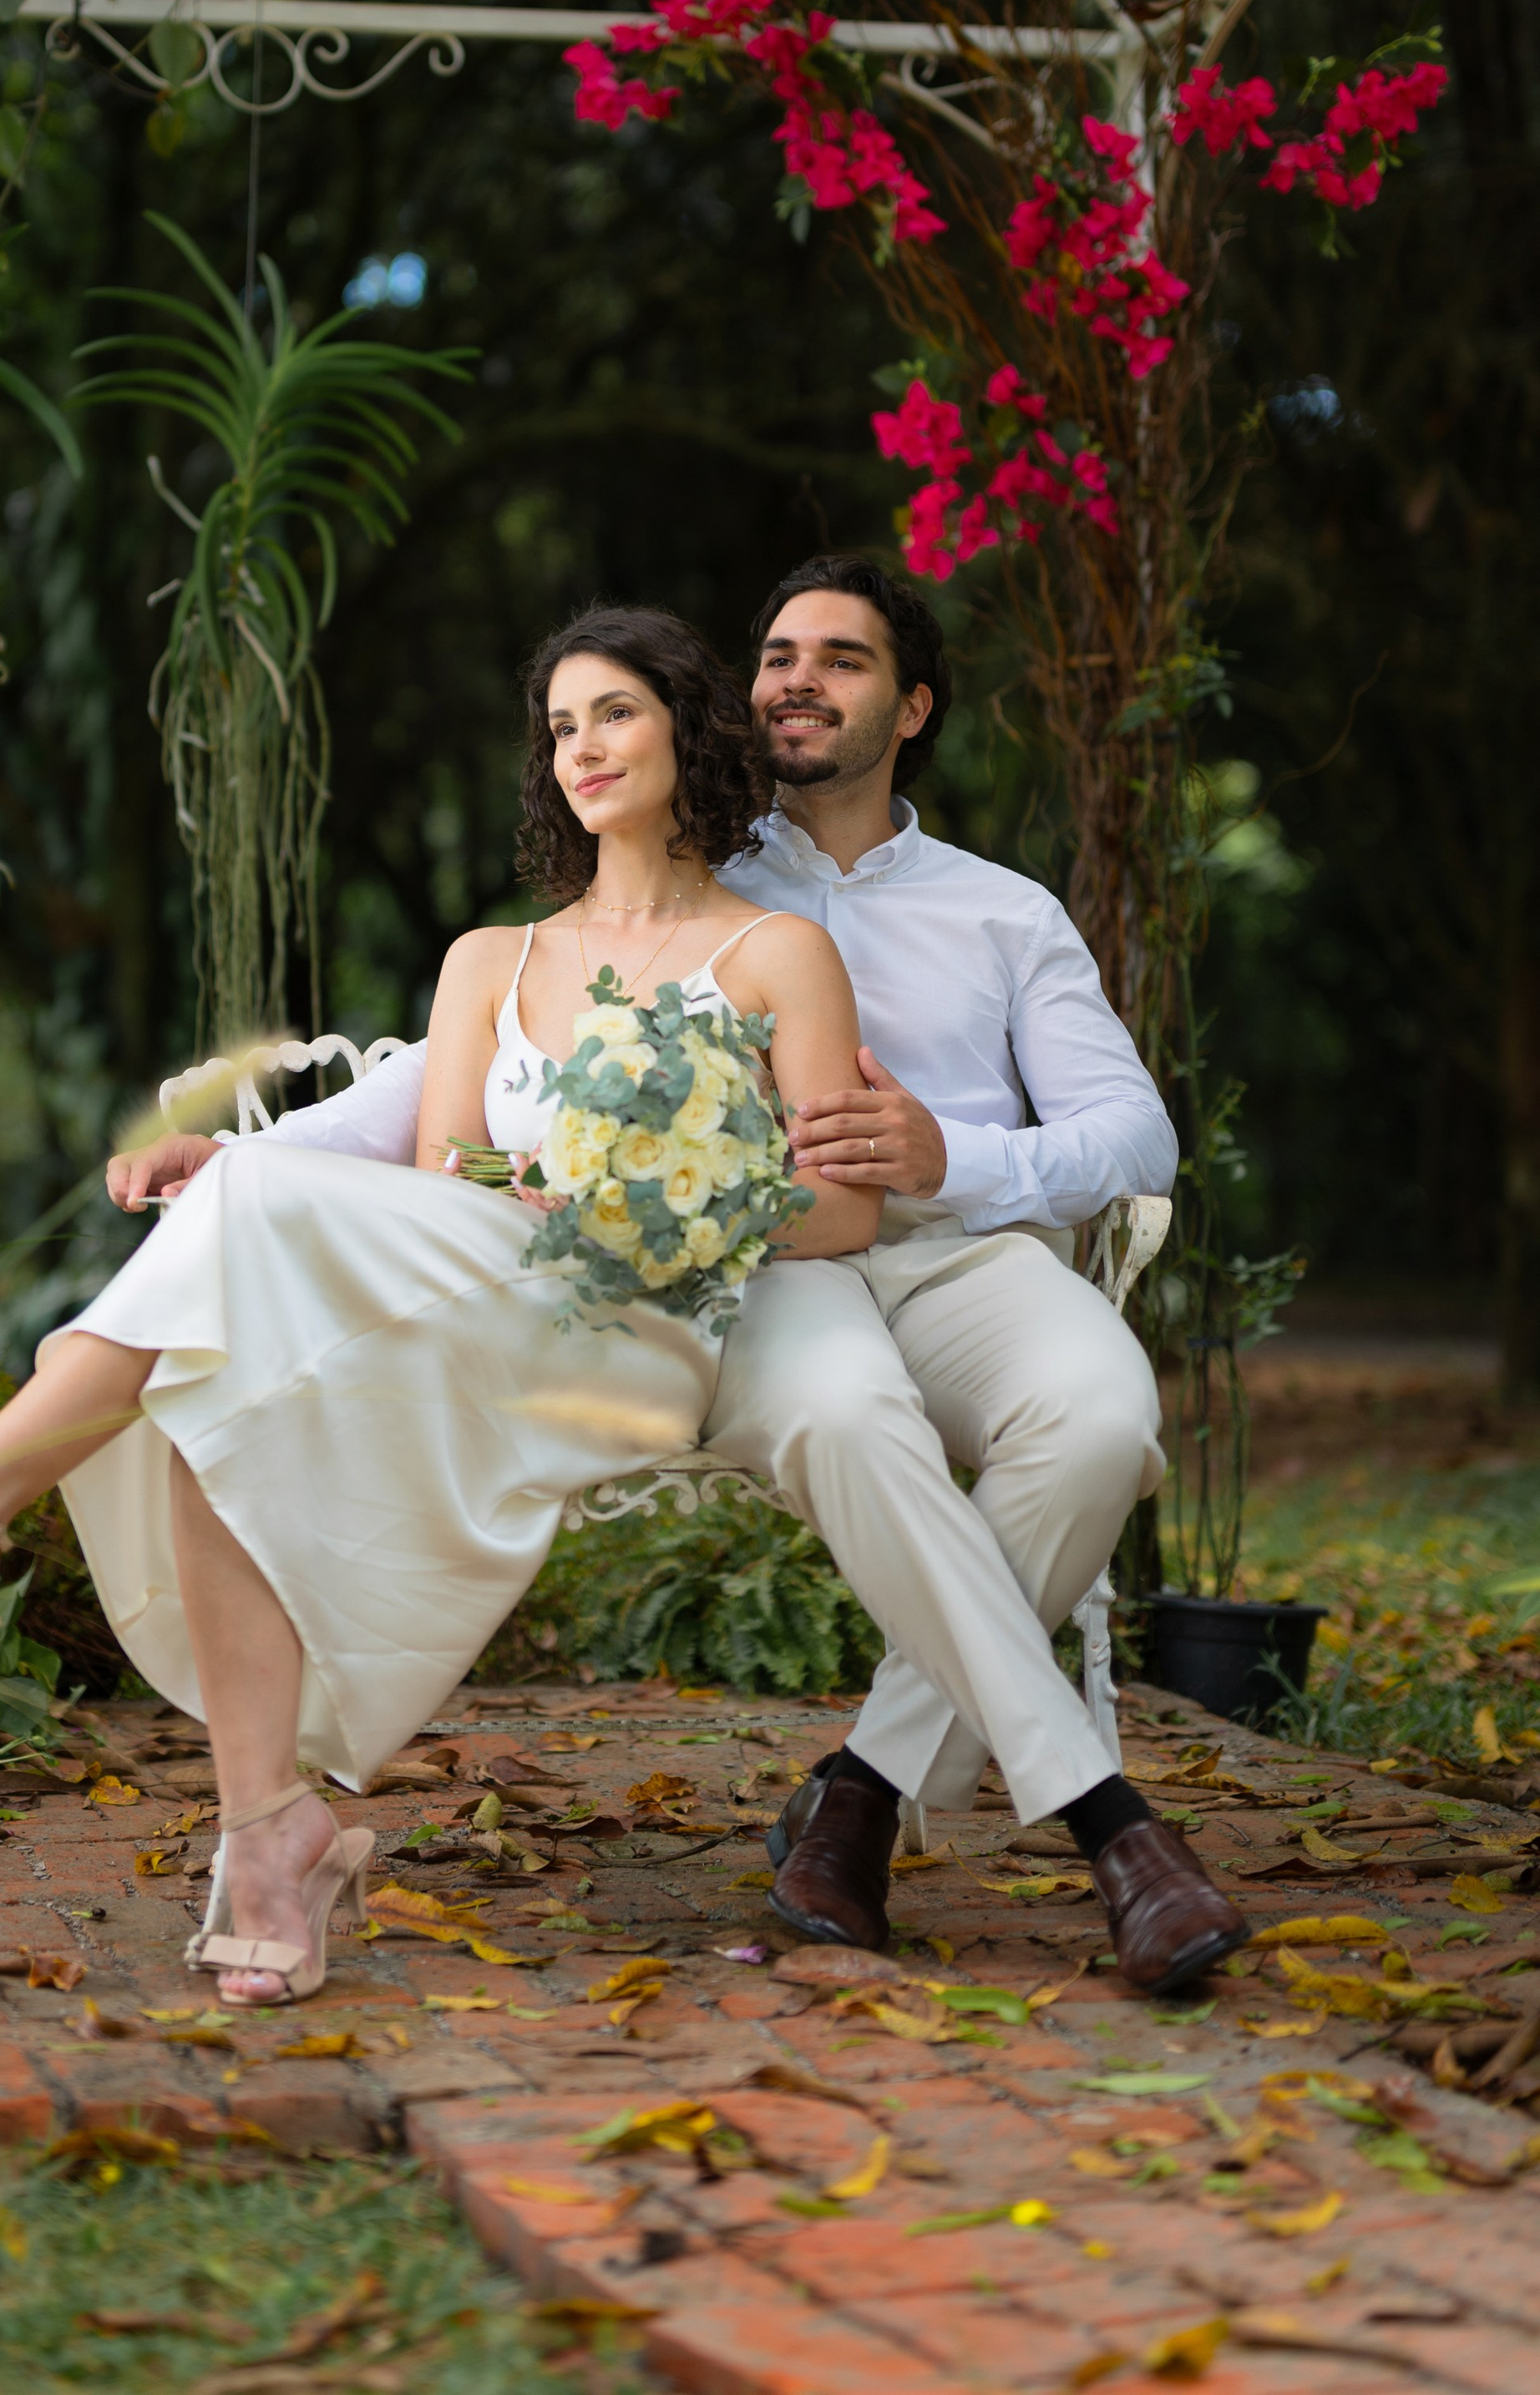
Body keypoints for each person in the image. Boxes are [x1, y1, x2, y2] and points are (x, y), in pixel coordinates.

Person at [110, 557, 1249, 1997]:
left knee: (1100, 1425)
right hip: (767, 1262)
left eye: (842, 660)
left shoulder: (1002, 912)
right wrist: (253, 1158)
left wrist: (944, 1154)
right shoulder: (694, 863)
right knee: (846, 1422)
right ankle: (1100, 1830)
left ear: (914, 707)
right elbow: (449, 1087)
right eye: (777, 654)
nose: (798, 679)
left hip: (956, 1248)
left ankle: (862, 1788)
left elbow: (1135, 1131)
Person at [0, 606, 884, 2011]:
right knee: (227, 1372)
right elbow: (443, 1179)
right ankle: (263, 1833)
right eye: (561, 727)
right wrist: (471, 1183)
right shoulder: (491, 960)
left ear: (685, 728)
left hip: (633, 1334)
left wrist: (653, 1202)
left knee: (236, 1248)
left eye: (615, 714)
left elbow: (844, 1210)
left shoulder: (777, 955)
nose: (583, 748)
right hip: (474, 1296)